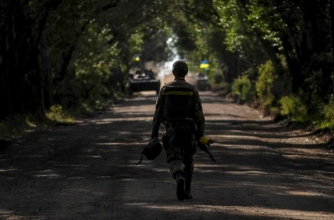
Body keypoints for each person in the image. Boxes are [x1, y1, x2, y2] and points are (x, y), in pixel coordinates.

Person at [151, 60, 205, 201]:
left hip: (172, 129)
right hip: (189, 130)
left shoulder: (166, 89)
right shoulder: (192, 89)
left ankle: (179, 176)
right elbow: (199, 114)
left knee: (174, 158)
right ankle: (187, 189)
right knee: (188, 159)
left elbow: (157, 114)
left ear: (174, 72)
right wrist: (200, 134)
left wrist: (154, 135)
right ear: (186, 72)